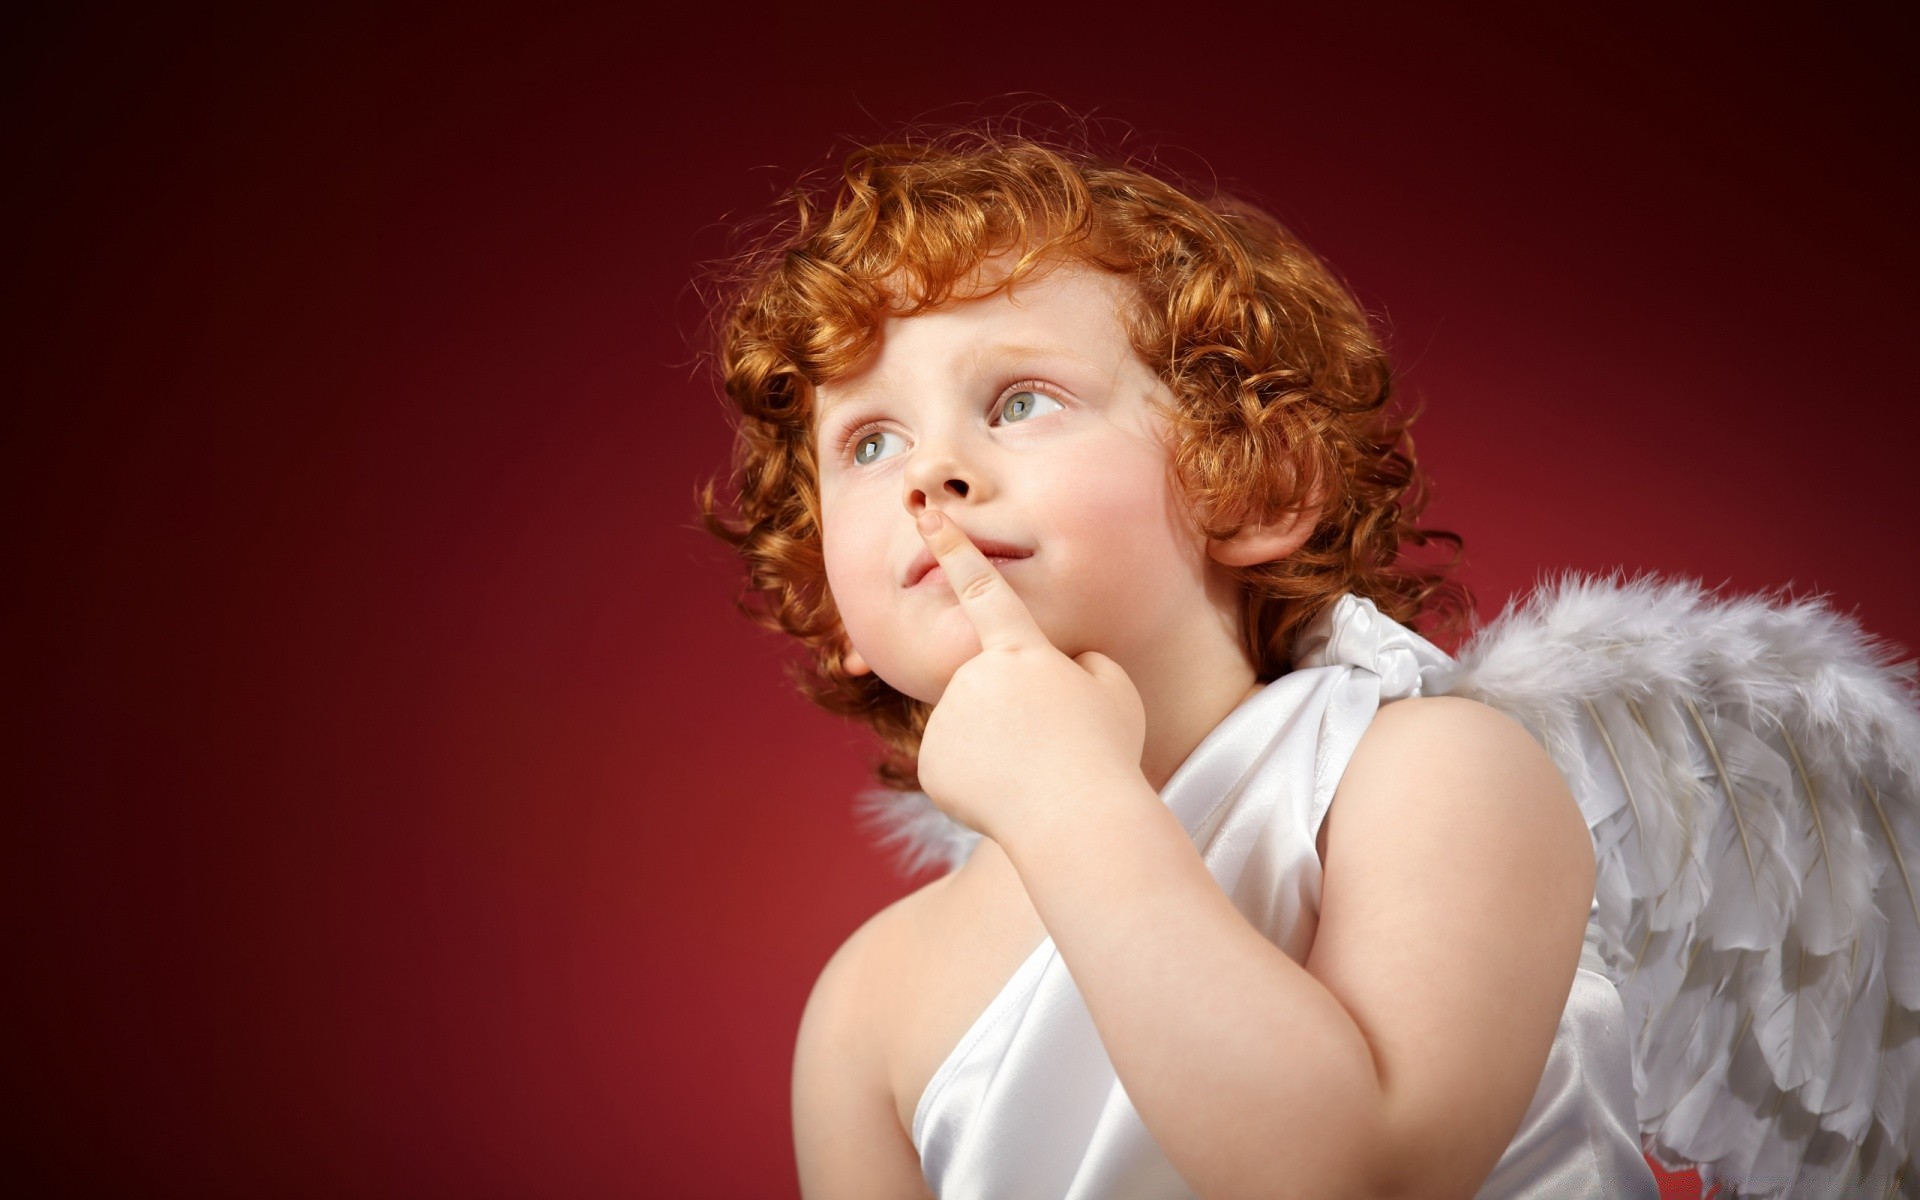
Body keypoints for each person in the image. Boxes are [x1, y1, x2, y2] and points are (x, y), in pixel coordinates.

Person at [699, 129, 1662, 1198]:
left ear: (1249, 483)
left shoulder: (1436, 779)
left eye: (1020, 401)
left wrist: (1074, 802)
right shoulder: (869, 1002)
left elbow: (1356, 1178)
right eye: (868, 443)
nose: (930, 471)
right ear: (834, 595)